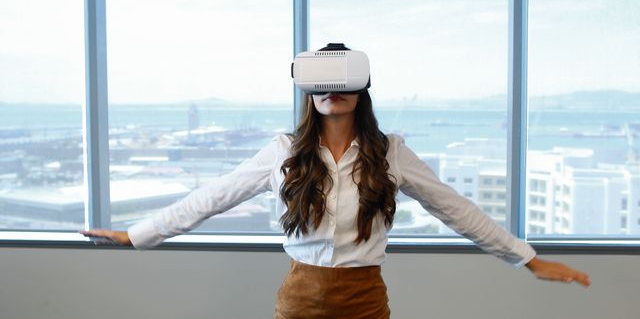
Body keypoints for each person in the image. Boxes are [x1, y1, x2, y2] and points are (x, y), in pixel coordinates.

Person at [82, 43, 591, 318]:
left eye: (344, 81)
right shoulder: (283, 153)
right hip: (300, 300)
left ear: (362, 89)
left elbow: (455, 208)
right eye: (322, 83)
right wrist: (137, 233)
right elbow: (210, 198)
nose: (333, 91)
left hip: (365, 303)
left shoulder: (391, 153)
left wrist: (528, 259)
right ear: (309, 90)